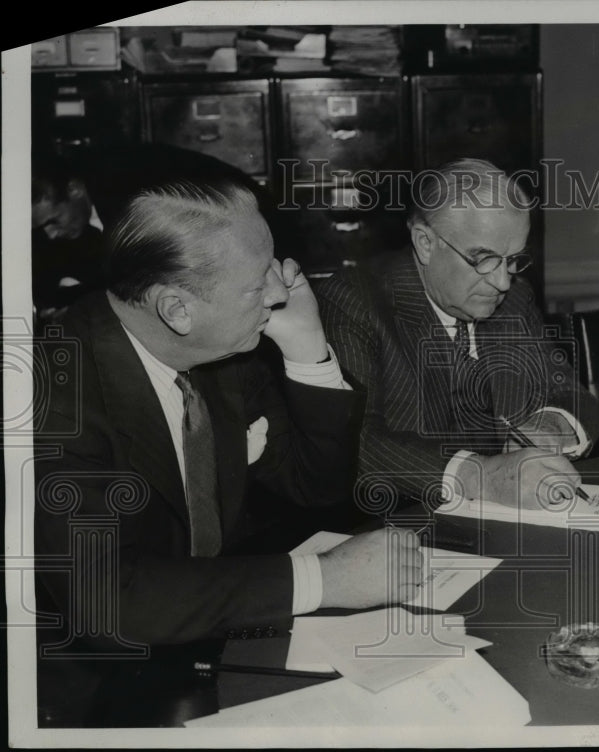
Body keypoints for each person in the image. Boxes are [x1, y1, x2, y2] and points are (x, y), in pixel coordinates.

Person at [33, 176, 423, 726]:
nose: (280, 292)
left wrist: (306, 345)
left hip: (215, 639)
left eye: (273, 265)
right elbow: (108, 602)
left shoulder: (220, 351)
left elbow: (315, 488)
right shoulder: (54, 397)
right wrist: (323, 578)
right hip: (92, 691)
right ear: (177, 310)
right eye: (256, 284)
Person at [317, 158, 599, 511]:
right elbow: (353, 443)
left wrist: (549, 427)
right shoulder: (354, 301)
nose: (502, 282)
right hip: (397, 521)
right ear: (425, 243)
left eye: (513, 259)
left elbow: (574, 396)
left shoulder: (515, 298)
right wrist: (480, 477)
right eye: (483, 259)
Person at [31, 152, 106, 321]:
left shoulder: (130, 205)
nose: (50, 235)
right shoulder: (56, 244)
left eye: (52, 221)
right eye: (41, 228)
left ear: (74, 189)